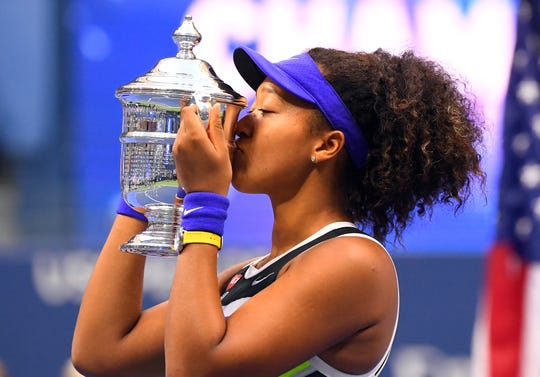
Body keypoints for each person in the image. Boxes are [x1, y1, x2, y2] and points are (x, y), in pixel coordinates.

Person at [72, 45, 485, 377]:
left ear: (326, 145)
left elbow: (195, 370)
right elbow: (102, 352)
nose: (242, 126)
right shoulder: (250, 273)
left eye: (266, 112)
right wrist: (149, 184)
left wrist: (205, 201)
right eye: (249, 109)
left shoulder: (355, 263)